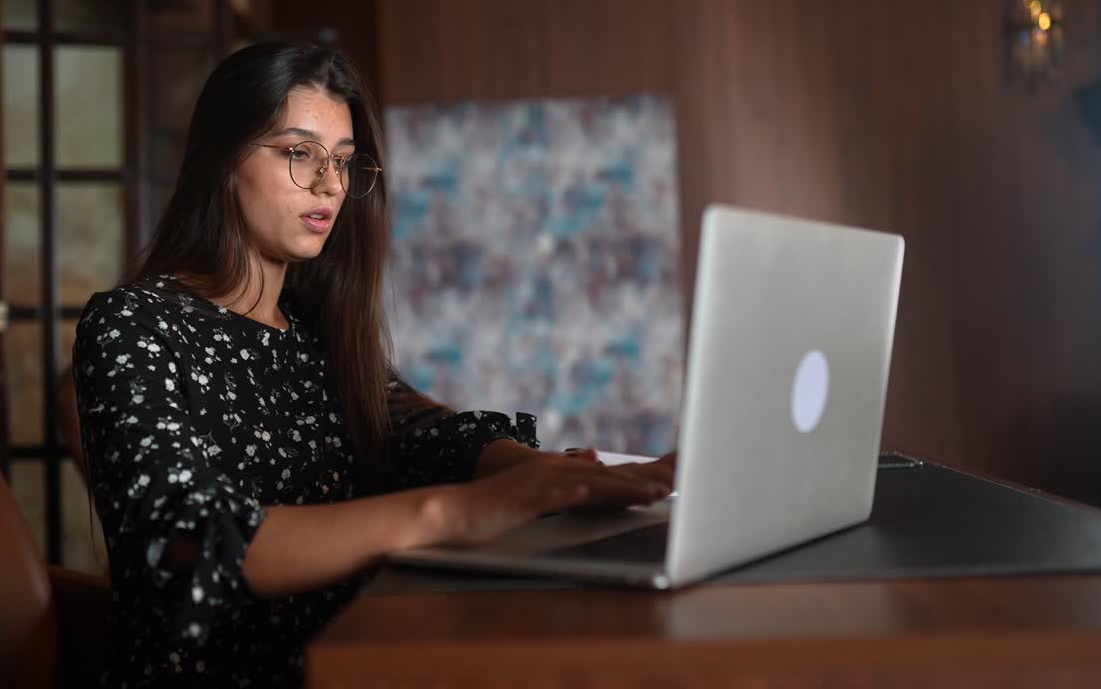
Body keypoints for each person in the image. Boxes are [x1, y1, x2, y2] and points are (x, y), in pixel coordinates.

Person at [72, 41, 676, 689]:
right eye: (299, 153)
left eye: (343, 162)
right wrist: (451, 513)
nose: (331, 185)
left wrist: (561, 477)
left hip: (354, 660)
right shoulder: (132, 324)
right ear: (222, 161)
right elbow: (189, 536)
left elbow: (423, 435)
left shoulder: (315, 331)